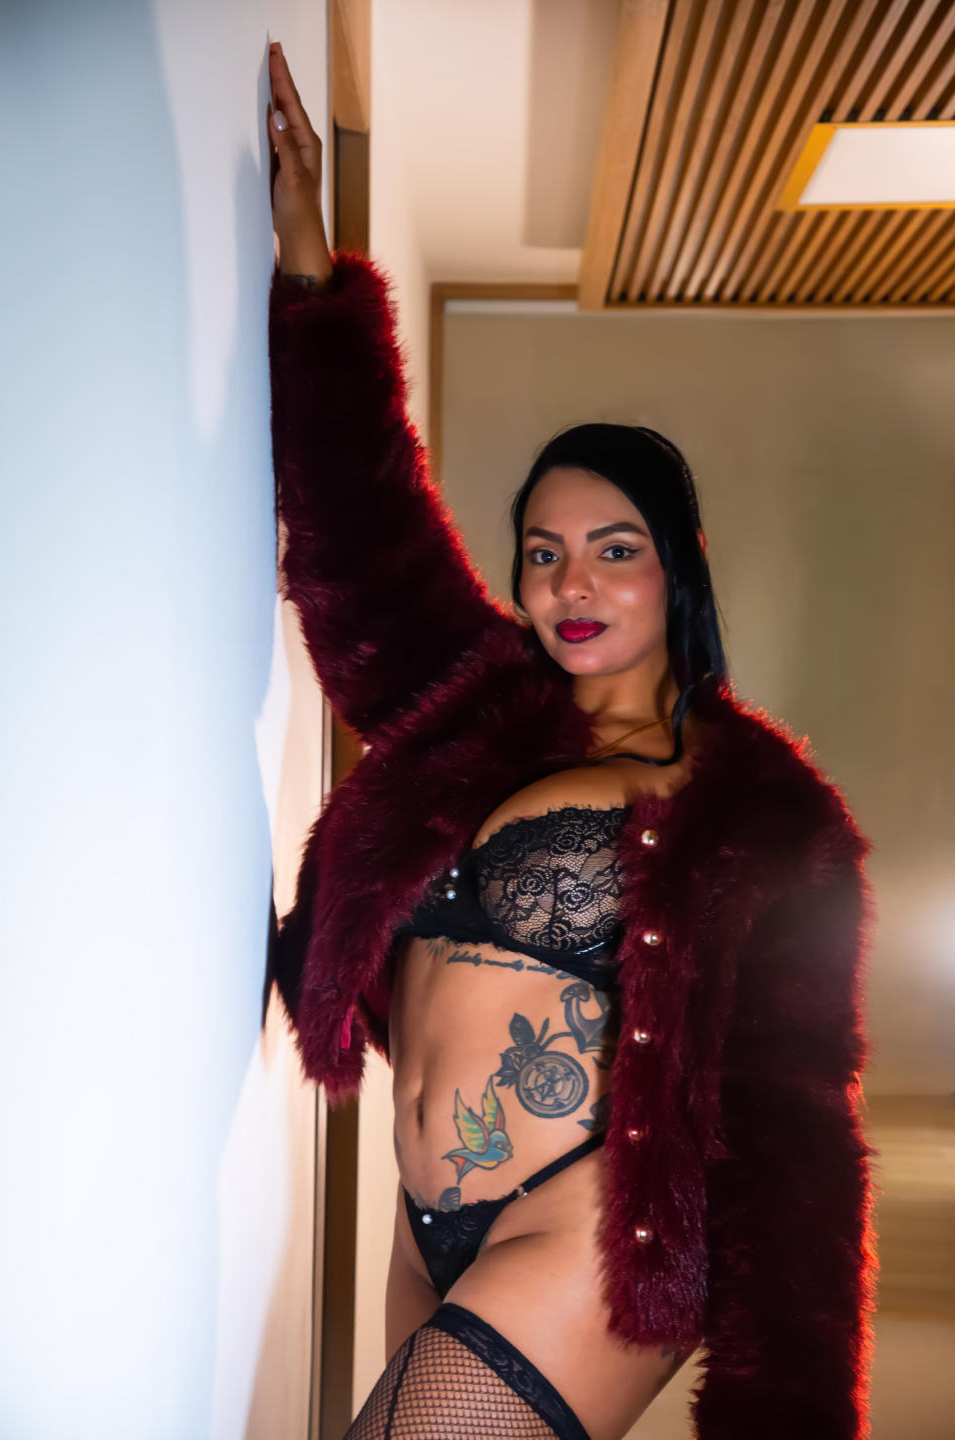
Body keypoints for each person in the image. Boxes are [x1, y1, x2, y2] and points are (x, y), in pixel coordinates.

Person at [265, 40, 878, 1440]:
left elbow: (796, 1123)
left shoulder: (765, 816)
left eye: (614, 548)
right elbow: (366, 540)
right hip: (429, 1226)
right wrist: (310, 278)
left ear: (680, 569)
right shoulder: (482, 709)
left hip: (595, 1230)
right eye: (543, 553)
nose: (571, 584)